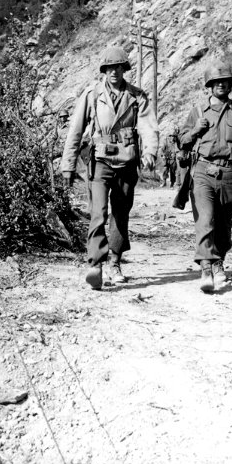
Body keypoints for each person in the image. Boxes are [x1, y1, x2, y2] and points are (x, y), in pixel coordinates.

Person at [61, 45, 159, 289]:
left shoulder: (137, 96)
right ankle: (96, 263)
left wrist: (149, 152)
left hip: (126, 162)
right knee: (98, 211)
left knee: (120, 213)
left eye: (118, 67)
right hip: (100, 161)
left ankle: (115, 261)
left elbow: (148, 127)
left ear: (124, 69)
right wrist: (68, 165)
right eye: (109, 68)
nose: (113, 72)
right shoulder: (92, 95)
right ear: (103, 70)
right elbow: (75, 131)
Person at [178, 65, 232, 294]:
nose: (221, 84)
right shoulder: (198, 111)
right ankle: (207, 267)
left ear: (230, 85)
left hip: (230, 173)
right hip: (202, 170)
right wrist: (195, 131)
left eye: (225, 81)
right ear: (209, 85)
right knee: (206, 219)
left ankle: (219, 261)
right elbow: (182, 141)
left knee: (224, 222)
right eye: (216, 81)